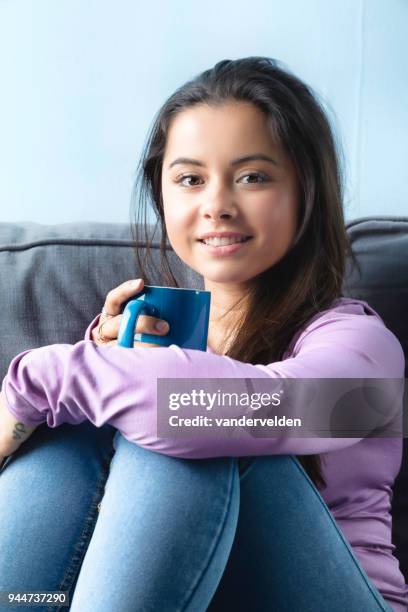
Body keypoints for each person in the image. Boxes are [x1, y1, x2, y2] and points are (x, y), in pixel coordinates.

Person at [0, 56, 406, 612]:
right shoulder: (133, 338)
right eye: (190, 179)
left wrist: (50, 379)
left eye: (253, 177)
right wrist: (101, 363)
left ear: (307, 193)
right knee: (80, 431)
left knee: (196, 425)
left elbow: (263, 409)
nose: (216, 205)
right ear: (162, 194)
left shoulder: (369, 353)